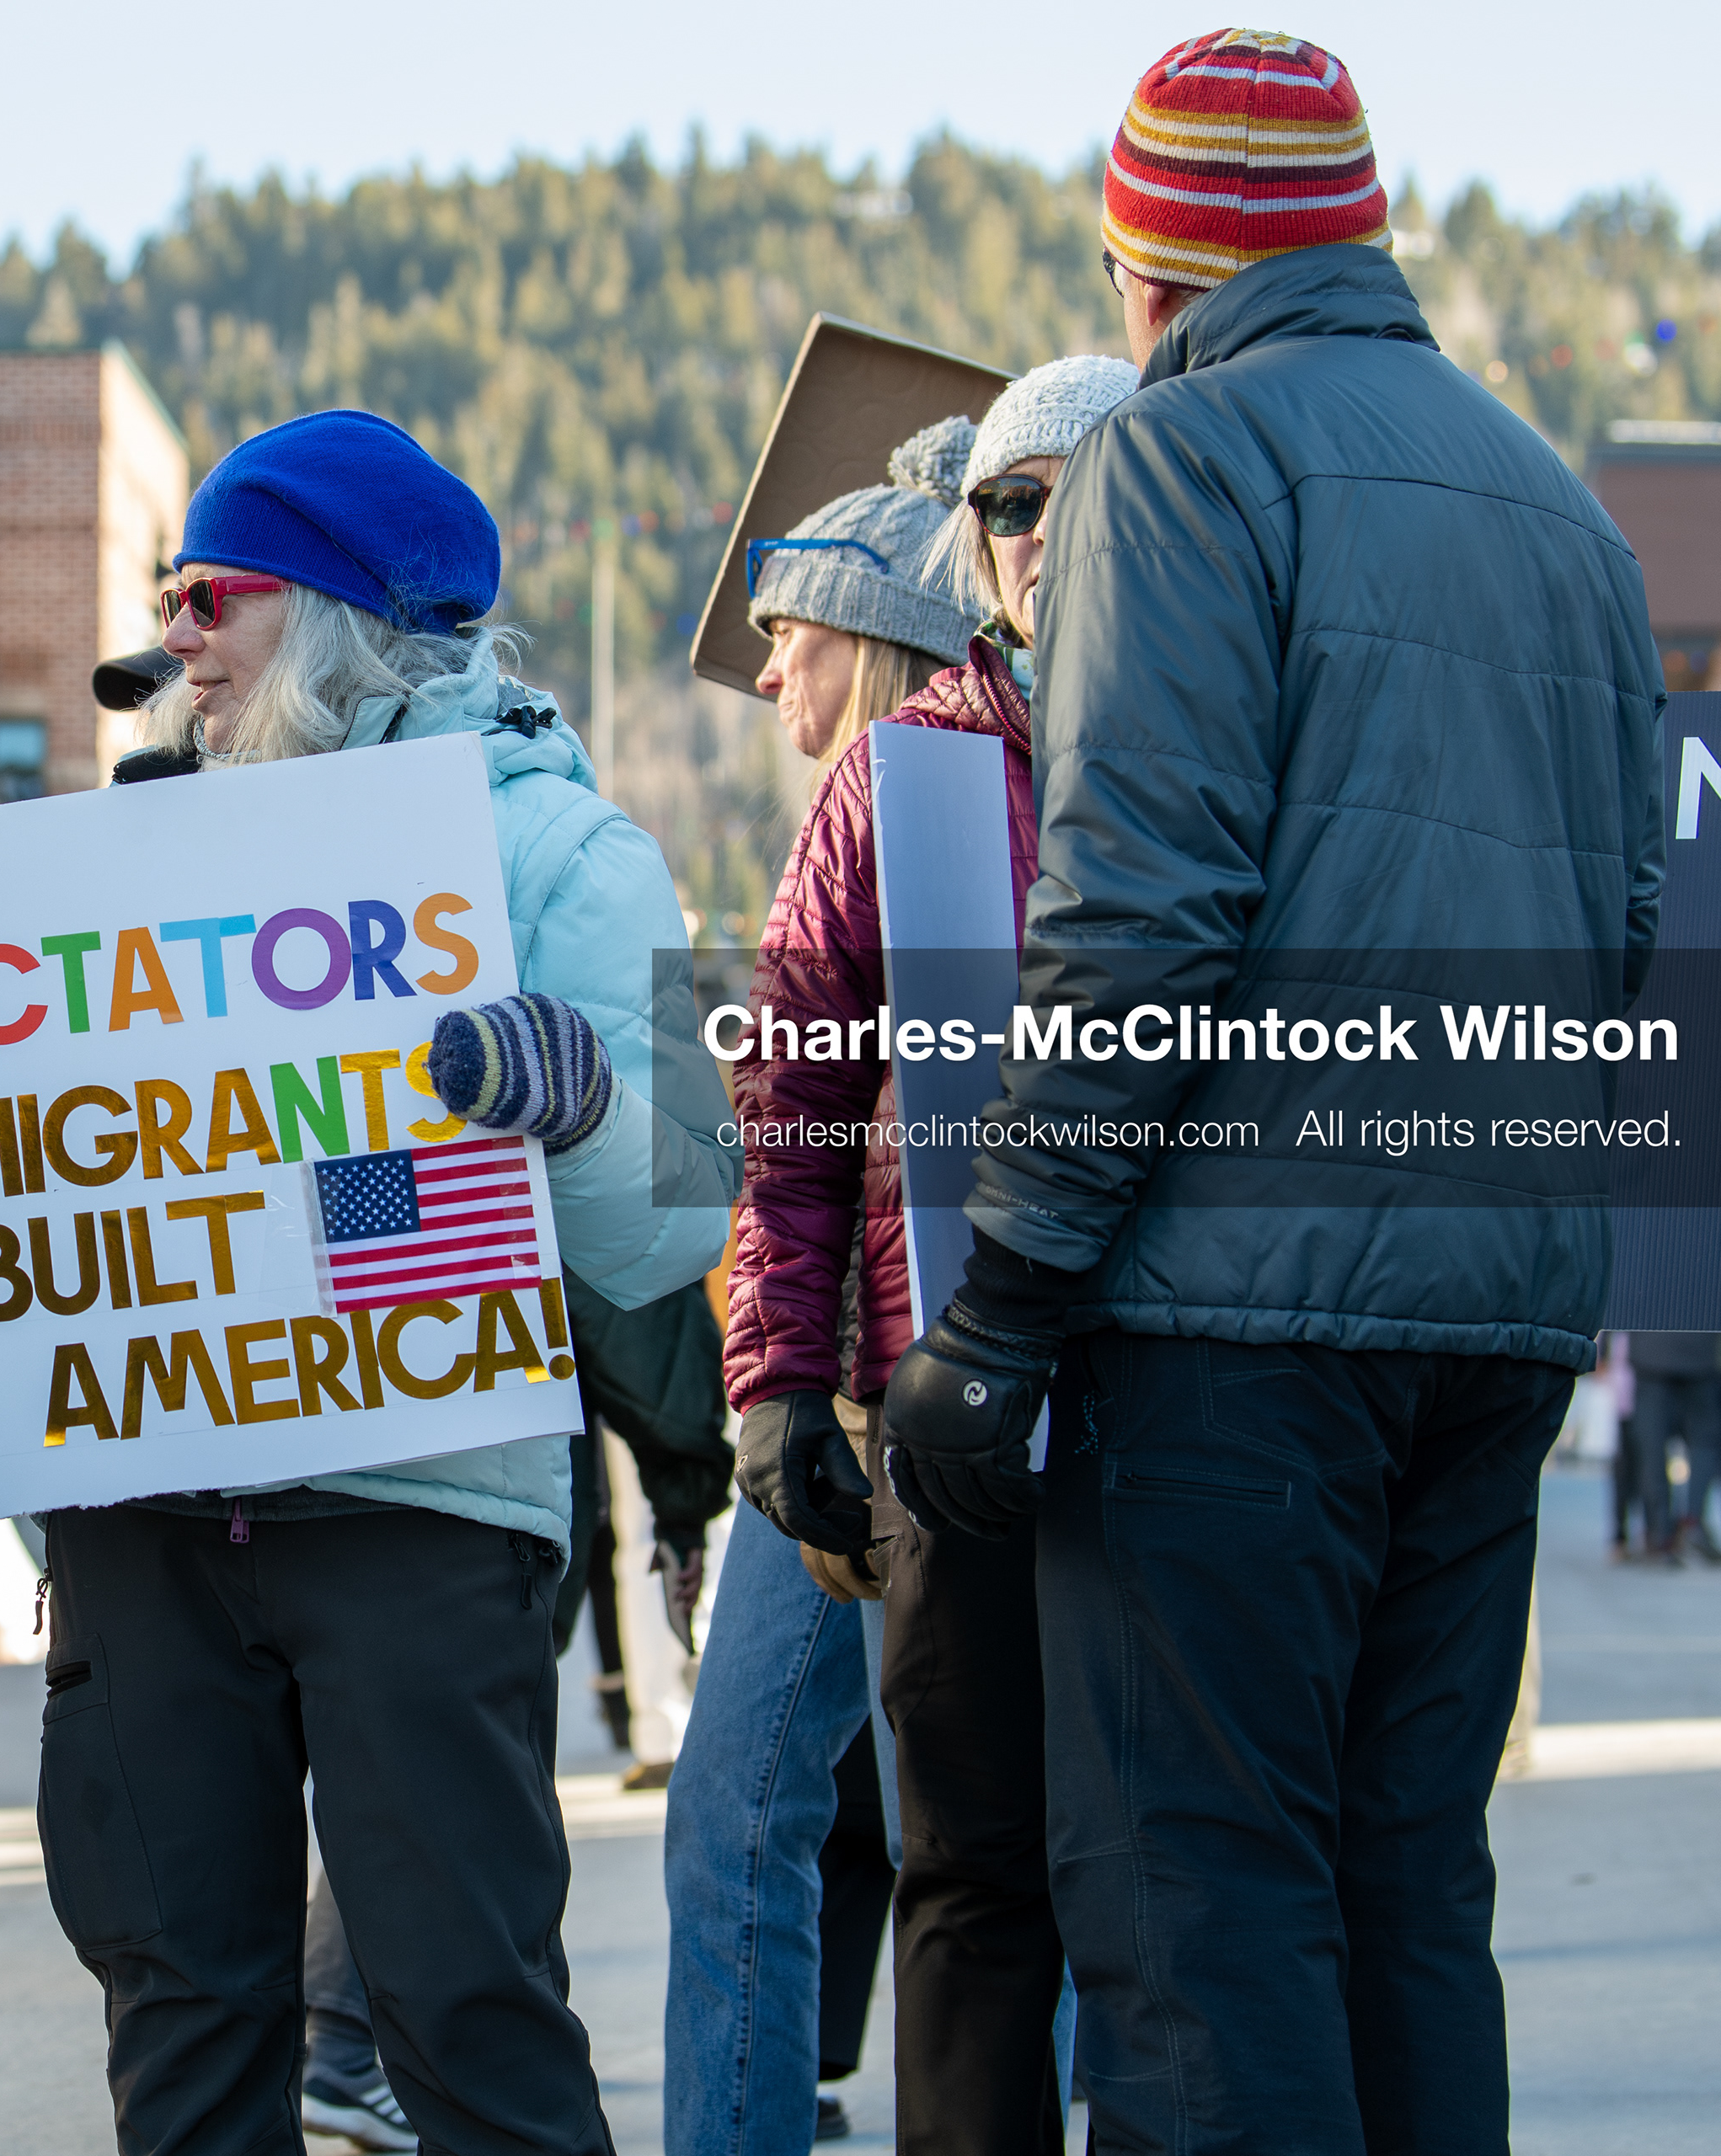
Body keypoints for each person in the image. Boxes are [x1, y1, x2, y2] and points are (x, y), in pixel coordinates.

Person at [875, 33, 1666, 2155]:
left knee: (1199, 1912)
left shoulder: (1178, 463)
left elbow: (1136, 912)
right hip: (1492, 1312)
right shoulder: (1565, 517)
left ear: (1150, 268)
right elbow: (1615, 938)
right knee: (1411, 1894)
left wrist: (1006, 1303)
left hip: (1230, 1323)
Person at [53, 407, 736, 2156]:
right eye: (171, 596)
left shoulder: (573, 853)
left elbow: (687, 1202)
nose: (176, 634)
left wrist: (573, 1101)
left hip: (421, 1502)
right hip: (155, 1504)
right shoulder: (123, 857)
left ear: (347, 613)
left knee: (463, 2003)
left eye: (214, 594)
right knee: (183, 2007)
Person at [727, 356, 1141, 2154]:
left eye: (1079, 488)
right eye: (1007, 500)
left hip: (1198, 1397)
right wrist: (779, 1385)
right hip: (947, 1409)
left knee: (1176, 1881)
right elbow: (798, 1107)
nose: (1037, 531)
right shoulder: (904, 776)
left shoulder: (1242, 737)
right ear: (968, 542)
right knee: (967, 1873)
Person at [671, 420, 975, 2156]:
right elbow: (787, 1134)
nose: (765, 658)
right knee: (750, 1811)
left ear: (866, 630)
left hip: (925, 1396)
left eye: (788, 624)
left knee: (967, 1835)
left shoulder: (968, 795)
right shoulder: (846, 819)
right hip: (840, 1399)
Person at [1622, 1332, 1720, 1563]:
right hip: (1701, 1351)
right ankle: (1693, 1521)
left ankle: (1661, 1536)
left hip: (1651, 1352)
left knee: (1652, 1448)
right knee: (1704, 1442)